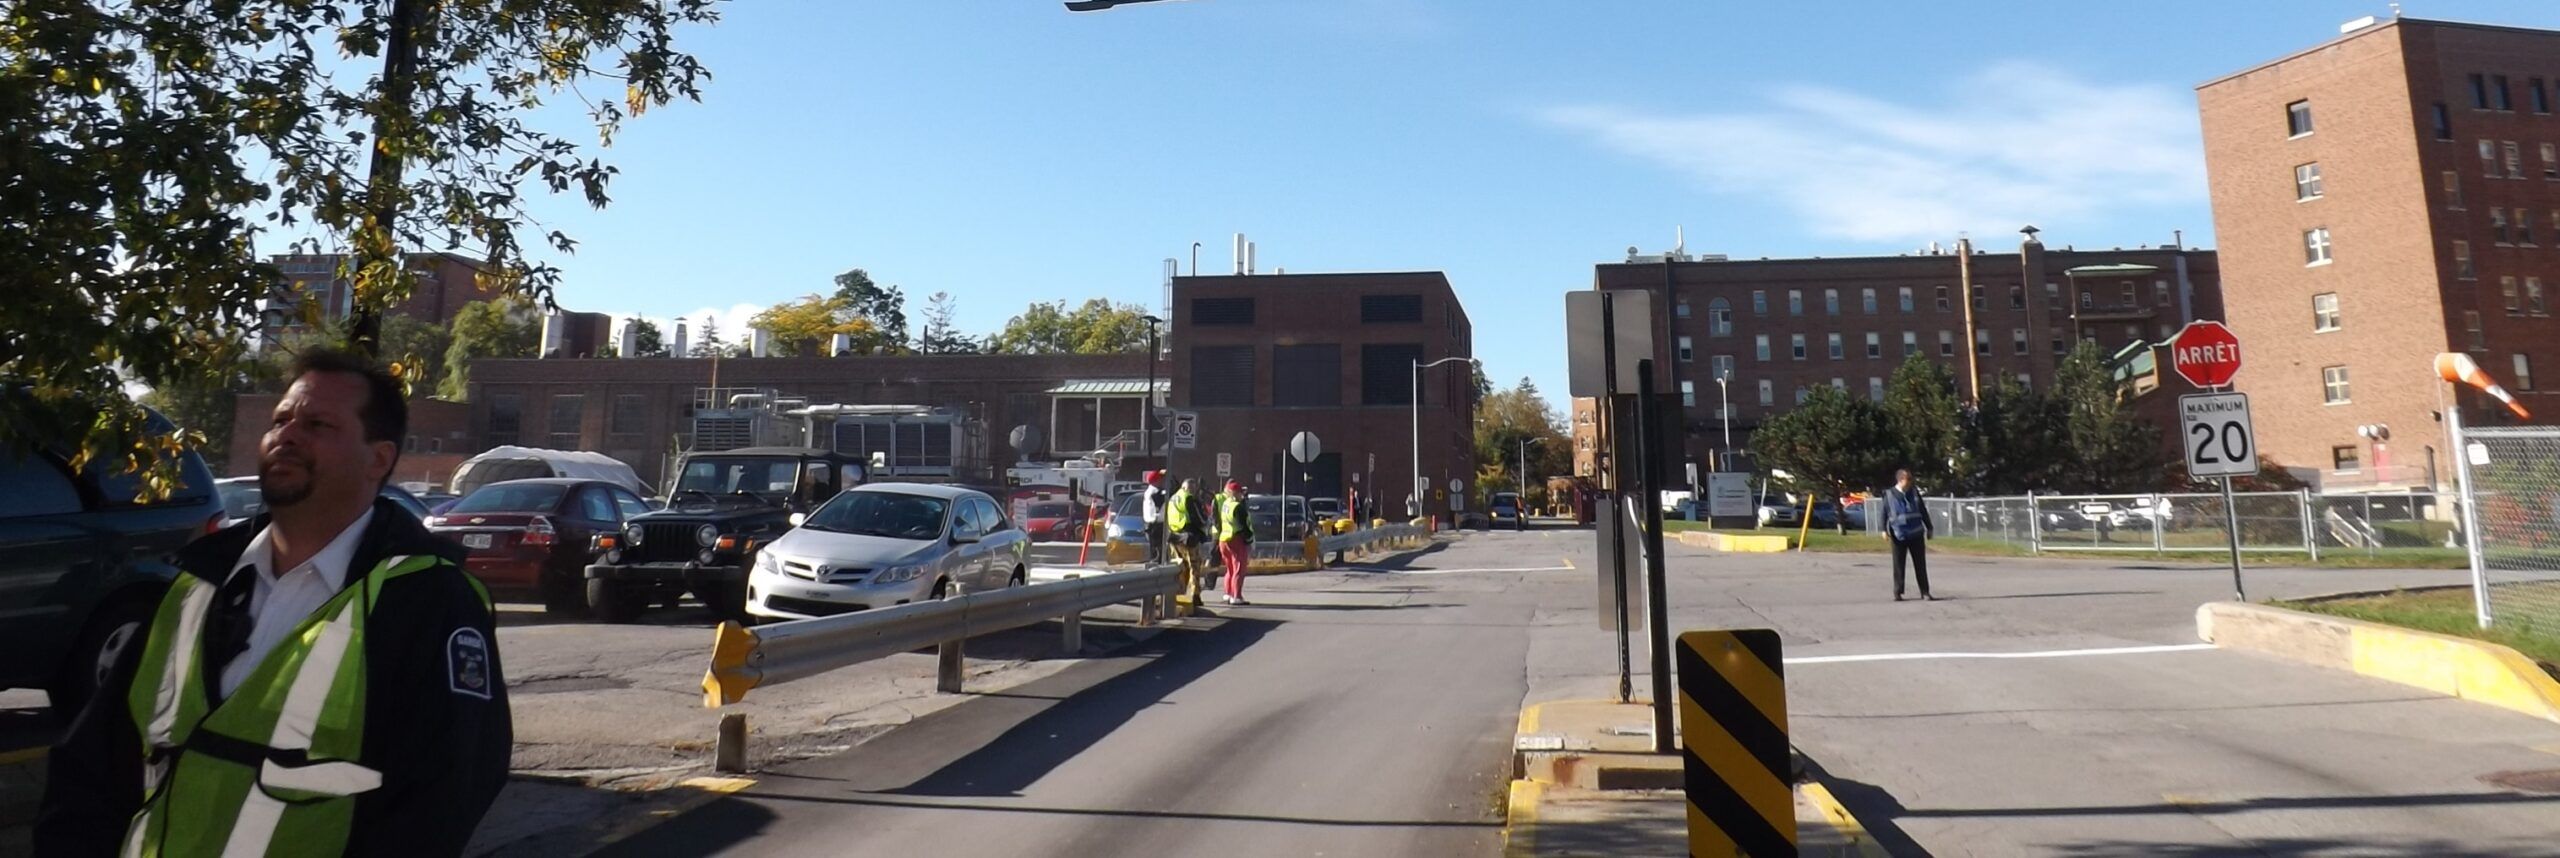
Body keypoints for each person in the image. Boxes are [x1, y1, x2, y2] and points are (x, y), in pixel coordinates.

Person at [39, 349, 513, 857]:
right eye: (281, 419)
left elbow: (442, 799)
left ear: (379, 458)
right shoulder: (193, 586)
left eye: (317, 424)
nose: (287, 435)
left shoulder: (427, 600)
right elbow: (92, 771)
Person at [1882, 468, 1936, 601]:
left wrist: (1929, 527)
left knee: (1920, 564)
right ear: (1901, 480)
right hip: (1898, 534)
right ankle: (1898, 592)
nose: (1911, 482)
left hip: (1916, 533)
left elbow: (1923, 511)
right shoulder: (1889, 494)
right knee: (1899, 564)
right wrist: (1883, 530)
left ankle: (1925, 592)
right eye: (1909, 479)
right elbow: (1884, 513)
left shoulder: (1915, 493)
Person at [1166, 478, 1207, 610]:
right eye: (1192, 489)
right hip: (1188, 536)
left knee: (1180, 566)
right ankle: (1195, 595)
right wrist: (1204, 525)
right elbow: (1198, 518)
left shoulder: (1173, 498)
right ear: (1187, 488)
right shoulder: (1188, 498)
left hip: (1174, 536)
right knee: (1194, 566)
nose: (1194, 492)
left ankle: (1179, 593)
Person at [1214, 480, 1255, 606]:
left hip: (1223, 539)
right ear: (1235, 493)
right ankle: (1236, 596)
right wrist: (1249, 539)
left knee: (1230, 569)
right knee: (1239, 568)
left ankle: (1228, 593)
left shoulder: (1226, 503)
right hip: (1235, 539)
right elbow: (1243, 526)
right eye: (1240, 493)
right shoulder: (1237, 507)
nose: (1241, 495)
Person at [1141, 470, 1169, 564]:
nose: (1163, 481)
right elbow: (1161, 500)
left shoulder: (1155, 492)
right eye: (1160, 479)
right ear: (1155, 481)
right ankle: (1157, 569)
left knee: (1159, 549)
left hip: (1155, 524)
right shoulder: (1153, 493)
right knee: (1157, 551)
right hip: (1155, 525)